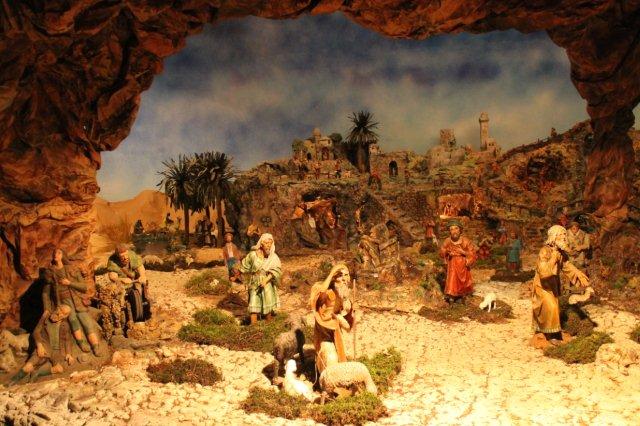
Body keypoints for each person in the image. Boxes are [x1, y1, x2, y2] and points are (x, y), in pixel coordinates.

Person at [532, 225, 590, 344]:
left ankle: (548, 330)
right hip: (543, 285)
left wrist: (579, 275)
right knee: (551, 307)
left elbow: (567, 266)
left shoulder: (560, 252)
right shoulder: (545, 250)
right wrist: (554, 256)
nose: (564, 238)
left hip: (553, 284)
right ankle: (552, 335)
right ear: (554, 237)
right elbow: (543, 271)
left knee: (551, 307)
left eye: (565, 235)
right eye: (561, 235)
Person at [46, 248, 103, 355]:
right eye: (54, 253)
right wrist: (48, 308)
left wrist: (70, 283)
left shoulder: (71, 269)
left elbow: (84, 287)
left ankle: (95, 346)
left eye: (59, 253)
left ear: (63, 255)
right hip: (64, 303)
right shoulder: (51, 272)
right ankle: (81, 343)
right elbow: (46, 292)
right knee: (73, 321)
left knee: (86, 321)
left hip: (77, 300)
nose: (56, 255)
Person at [309, 264, 354, 373]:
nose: (344, 279)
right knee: (331, 358)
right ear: (334, 278)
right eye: (340, 275)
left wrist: (348, 312)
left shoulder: (344, 296)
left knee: (343, 356)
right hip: (325, 333)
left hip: (336, 332)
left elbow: (348, 324)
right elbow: (319, 295)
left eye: (346, 275)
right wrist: (337, 318)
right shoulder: (328, 294)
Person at [238, 233, 282, 325]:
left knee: (268, 301)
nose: (268, 245)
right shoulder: (253, 255)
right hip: (254, 281)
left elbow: (276, 270)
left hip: (267, 282)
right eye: (266, 243)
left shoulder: (273, 257)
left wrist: (266, 280)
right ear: (261, 244)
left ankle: (269, 324)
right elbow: (244, 266)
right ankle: (253, 325)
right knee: (253, 302)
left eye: (270, 243)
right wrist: (236, 275)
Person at [439, 220, 477, 302]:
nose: (454, 231)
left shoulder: (466, 241)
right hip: (452, 264)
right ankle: (452, 295)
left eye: (456, 228)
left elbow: (472, 253)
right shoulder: (447, 241)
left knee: (463, 281)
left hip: (463, 265)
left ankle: (462, 295)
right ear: (449, 231)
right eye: (451, 229)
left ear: (460, 230)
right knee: (452, 279)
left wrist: (463, 252)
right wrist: (447, 251)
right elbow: (442, 251)